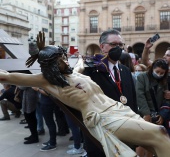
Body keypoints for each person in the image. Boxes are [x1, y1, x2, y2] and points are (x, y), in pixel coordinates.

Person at [0, 33, 170, 157]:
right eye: (60, 60)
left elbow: (80, 61)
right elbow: (7, 76)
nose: (65, 61)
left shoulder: (77, 71)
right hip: (102, 118)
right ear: (50, 65)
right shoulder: (46, 80)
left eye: (64, 57)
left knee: (153, 142)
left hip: (118, 110)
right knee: (159, 133)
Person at [83, 29, 137, 156]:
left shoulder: (125, 70)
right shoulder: (90, 71)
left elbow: (133, 100)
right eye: (113, 44)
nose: (118, 48)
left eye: (120, 45)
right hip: (101, 134)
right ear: (102, 47)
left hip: (126, 133)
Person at [136, 59, 169, 157]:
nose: (159, 74)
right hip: (143, 114)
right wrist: (146, 113)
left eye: (162, 73)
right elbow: (140, 95)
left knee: (152, 141)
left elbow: (166, 99)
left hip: (158, 115)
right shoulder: (142, 77)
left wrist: (162, 115)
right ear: (152, 68)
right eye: (157, 71)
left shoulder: (164, 81)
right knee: (141, 140)